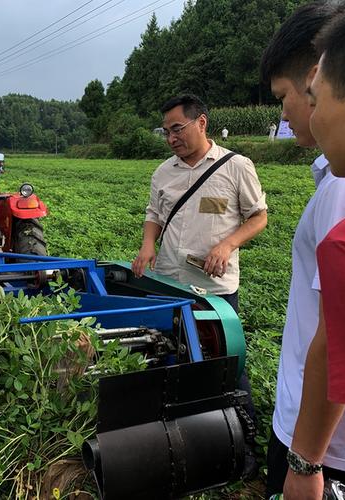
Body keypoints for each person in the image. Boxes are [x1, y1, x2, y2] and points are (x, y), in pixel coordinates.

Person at [260, 2, 345, 498]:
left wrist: (306, 462)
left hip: (332, 452)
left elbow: (336, 335)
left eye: (292, 95)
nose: (287, 112)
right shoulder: (340, 178)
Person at [131, 93, 268, 478]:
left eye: (178, 128)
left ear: (202, 123)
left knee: (226, 364)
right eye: (166, 131)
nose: (171, 137)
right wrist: (147, 245)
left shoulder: (235, 166)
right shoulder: (163, 172)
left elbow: (258, 217)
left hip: (214, 288)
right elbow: (154, 214)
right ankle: (182, 438)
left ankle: (245, 448)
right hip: (170, 284)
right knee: (169, 355)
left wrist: (227, 244)